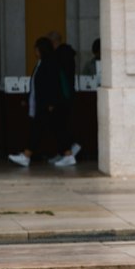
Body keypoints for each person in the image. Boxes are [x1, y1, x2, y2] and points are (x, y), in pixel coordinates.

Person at [8, 37, 69, 167]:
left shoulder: (49, 63)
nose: (35, 51)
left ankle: (26, 156)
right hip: (42, 103)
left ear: (41, 49)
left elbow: (53, 85)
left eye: (36, 49)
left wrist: (52, 103)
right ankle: (67, 154)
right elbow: (35, 85)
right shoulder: (41, 63)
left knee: (38, 129)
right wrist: (27, 98)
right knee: (55, 130)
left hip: (47, 104)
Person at [47, 29, 80, 166]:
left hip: (60, 96)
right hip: (67, 95)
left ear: (53, 42)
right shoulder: (67, 55)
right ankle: (65, 151)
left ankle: (67, 153)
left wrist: (53, 99)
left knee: (60, 126)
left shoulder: (57, 56)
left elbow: (56, 79)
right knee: (63, 124)